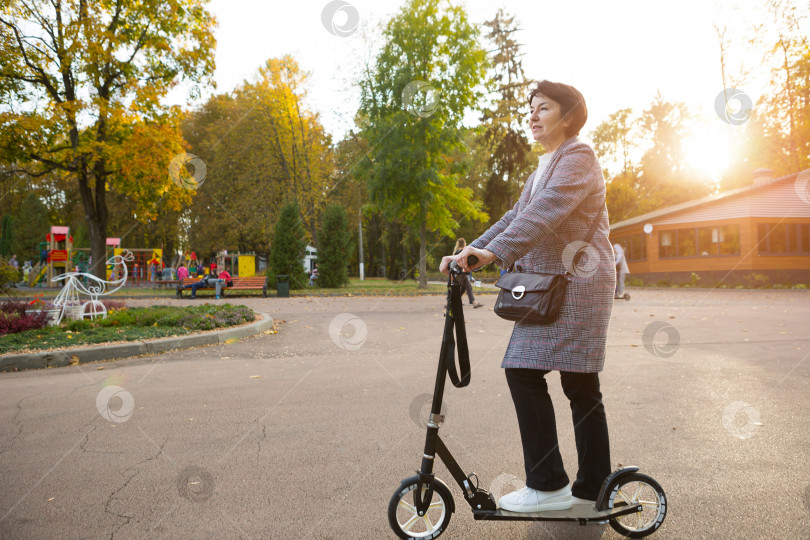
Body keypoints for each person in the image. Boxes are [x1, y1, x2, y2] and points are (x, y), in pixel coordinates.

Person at [440, 80, 615, 513]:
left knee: (571, 380)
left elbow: (547, 211)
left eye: (544, 108)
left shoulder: (579, 157)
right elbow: (515, 216)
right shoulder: (543, 166)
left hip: (578, 283)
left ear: (570, 116)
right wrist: (470, 253)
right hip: (551, 283)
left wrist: (493, 252)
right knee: (543, 373)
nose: (533, 116)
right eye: (531, 109)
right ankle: (577, 486)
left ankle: (563, 486)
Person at [452, 238, 482, 308]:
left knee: (464, 287)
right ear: (464, 244)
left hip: (459, 272)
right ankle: (473, 302)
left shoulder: (457, 251)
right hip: (461, 272)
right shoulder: (462, 251)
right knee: (467, 286)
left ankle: (454, 301)